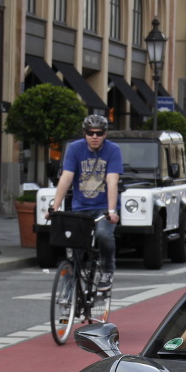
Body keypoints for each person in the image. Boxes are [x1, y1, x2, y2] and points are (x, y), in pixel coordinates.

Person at [50, 114, 122, 290]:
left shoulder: (113, 150)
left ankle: (107, 271)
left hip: (103, 208)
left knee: (104, 235)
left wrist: (112, 210)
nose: (94, 137)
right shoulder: (74, 149)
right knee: (73, 250)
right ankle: (68, 295)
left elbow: (112, 181)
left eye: (99, 133)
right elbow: (66, 178)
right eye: (90, 133)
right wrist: (54, 207)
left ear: (105, 134)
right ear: (85, 133)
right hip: (80, 208)